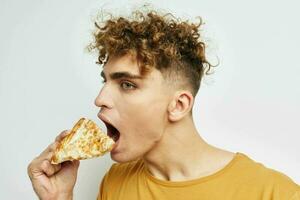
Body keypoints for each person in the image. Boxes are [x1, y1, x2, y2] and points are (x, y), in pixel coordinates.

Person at [27, 10, 300, 200]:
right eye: (106, 81)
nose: (100, 99)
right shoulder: (115, 182)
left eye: (127, 84)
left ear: (179, 105)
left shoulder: (274, 194)